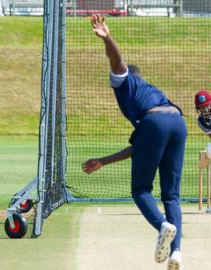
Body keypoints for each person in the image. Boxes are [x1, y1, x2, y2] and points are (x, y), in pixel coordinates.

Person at [82, 15, 187, 270]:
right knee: (171, 195)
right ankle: (177, 253)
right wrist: (104, 161)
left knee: (141, 190)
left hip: (156, 125)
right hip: (178, 123)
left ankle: (162, 225)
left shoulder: (124, 82)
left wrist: (107, 37)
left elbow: (116, 60)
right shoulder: (153, 94)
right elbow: (142, 147)